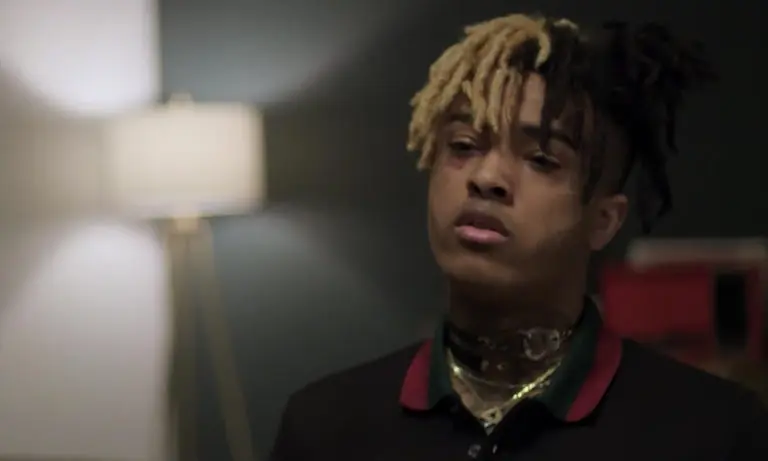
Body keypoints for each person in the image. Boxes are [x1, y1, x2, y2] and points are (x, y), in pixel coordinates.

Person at [269, 12, 768, 460]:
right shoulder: (326, 428)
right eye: (464, 144)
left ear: (604, 220)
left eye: (541, 159)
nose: (486, 177)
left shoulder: (713, 432)